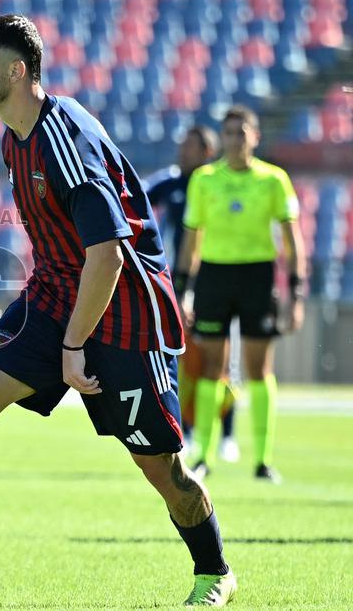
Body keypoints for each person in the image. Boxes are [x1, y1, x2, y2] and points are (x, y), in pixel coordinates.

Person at [0, 15, 235, 607]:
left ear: (17, 70)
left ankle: (215, 571)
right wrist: (62, 331)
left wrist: (74, 348)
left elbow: (109, 256)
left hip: (124, 311)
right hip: (55, 293)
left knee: (163, 471)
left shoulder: (64, 136)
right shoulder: (11, 138)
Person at [177, 105, 306, 484]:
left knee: (258, 369)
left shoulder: (274, 180)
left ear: (255, 137)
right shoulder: (204, 179)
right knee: (211, 368)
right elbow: (191, 238)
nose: (235, 140)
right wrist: (184, 290)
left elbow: (292, 240)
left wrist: (296, 293)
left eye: (241, 133)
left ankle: (263, 461)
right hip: (214, 279)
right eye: (229, 133)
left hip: (257, 278)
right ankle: (203, 456)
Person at [146, 128, 239, 463]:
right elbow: (135, 200)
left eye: (188, 146)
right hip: (175, 283)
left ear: (207, 151)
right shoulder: (169, 183)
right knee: (178, 358)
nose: (181, 152)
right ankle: (183, 429)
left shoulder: (217, 183)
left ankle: (228, 433)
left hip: (215, 280)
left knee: (221, 360)